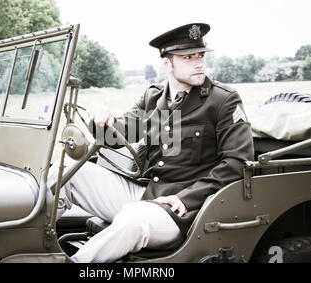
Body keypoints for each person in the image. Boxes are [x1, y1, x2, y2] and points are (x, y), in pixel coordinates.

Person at [48, 23, 254, 263]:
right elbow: (116, 137)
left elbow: (237, 161)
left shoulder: (222, 100)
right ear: (167, 63)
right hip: (148, 193)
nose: (199, 63)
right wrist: (102, 120)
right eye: (188, 57)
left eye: (200, 55)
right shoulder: (154, 96)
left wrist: (187, 198)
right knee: (63, 174)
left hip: (185, 209)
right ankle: (31, 246)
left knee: (133, 220)